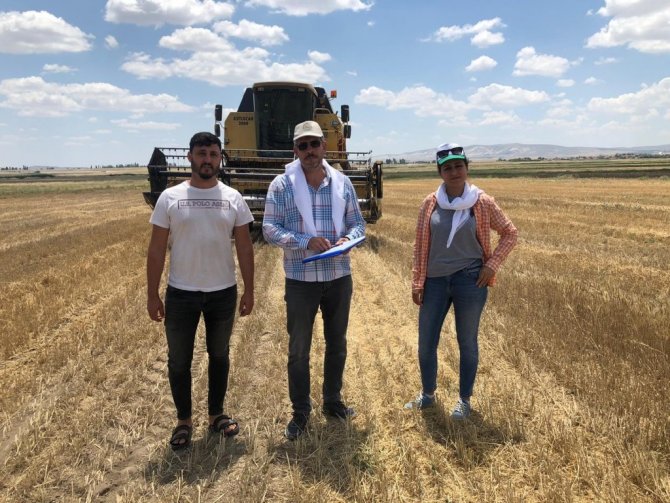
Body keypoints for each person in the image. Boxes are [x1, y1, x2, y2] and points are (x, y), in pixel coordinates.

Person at [146, 132, 255, 451]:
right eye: (202, 153)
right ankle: (183, 421)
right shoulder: (170, 197)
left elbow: (245, 248)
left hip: (223, 292)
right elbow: (156, 249)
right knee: (179, 360)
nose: (207, 159)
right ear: (190, 157)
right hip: (181, 293)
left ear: (220, 158)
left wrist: (250, 290)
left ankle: (216, 415)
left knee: (219, 355)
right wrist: (152, 294)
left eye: (213, 154)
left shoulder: (233, 198)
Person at [263, 120, 366, 440]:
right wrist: (305, 241)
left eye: (314, 144)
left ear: (324, 146)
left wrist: (347, 239)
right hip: (300, 279)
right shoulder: (281, 185)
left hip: (338, 277)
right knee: (298, 349)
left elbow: (358, 225)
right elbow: (269, 229)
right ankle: (301, 412)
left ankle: (332, 402)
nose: (309, 150)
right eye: (303, 145)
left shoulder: (343, 183)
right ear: (295, 150)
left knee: (337, 344)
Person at [405, 143, 517, 419]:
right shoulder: (430, 203)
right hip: (434, 282)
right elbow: (420, 245)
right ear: (440, 172)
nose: (454, 172)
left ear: (466, 168)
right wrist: (418, 281)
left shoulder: (482, 202)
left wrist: (491, 265)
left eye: (458, 166)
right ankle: (428, 395)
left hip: (470, 281)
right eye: (447, 168)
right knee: (426, 342)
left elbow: (510, 233)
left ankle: (464, 401)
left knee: (467, 342)